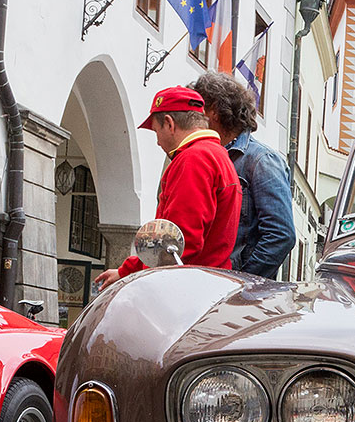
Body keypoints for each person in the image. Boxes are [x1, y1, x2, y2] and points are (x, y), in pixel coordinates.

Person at [94, 86, 240, 289]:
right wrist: (125, 271)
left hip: (185, 287)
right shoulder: (218, 155)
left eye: (156, 131)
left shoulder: (193, 159)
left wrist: (140, 281)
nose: (157, 141)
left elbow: (177, 243)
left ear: (170, 124)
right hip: (208, 281)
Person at [192, 71, 295, 278]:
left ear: (213, 111)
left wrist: (242, 281)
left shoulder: (262, 160)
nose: (192, 118)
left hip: (238, 292)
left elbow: (281, 235)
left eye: (197, 109)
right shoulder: (213, 155)